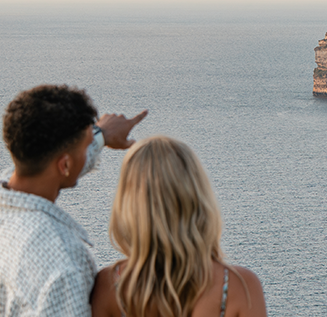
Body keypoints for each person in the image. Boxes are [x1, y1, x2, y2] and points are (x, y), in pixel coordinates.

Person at [0, 84, 147, 317]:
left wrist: (99, 136)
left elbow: (54, 166)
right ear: (65, 164)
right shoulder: (64, 263)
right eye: (86, 145)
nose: (89, 148)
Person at [90, 136, 266, 317]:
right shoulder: (238, 287)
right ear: (198, 197)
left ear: (128, 206)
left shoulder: (109, 286)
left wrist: (100, 135)